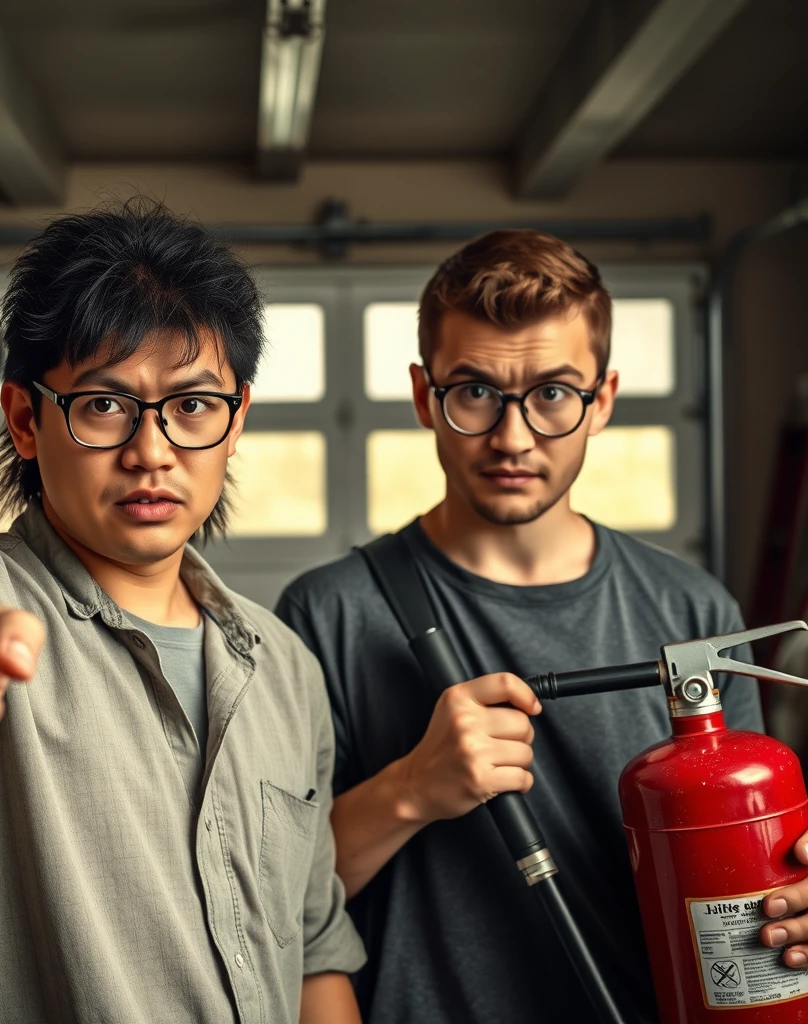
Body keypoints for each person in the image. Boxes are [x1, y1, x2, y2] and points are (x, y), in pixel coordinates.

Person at [0, 201, 365, 1024]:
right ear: (26, 420)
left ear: (236, 422)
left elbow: (311, 956)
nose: (152, 451)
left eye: (193, 407)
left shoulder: (284, 667)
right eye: (104, 405)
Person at [275, 230, 808, 1023]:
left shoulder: (693, 610)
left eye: (554, 393)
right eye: (475, 392)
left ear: (604, 400)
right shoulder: (330, 614)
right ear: (425, 397)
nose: (514, 436)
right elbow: (264, 900)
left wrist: (789, 899)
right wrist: (410, 790)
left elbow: (746, 885)